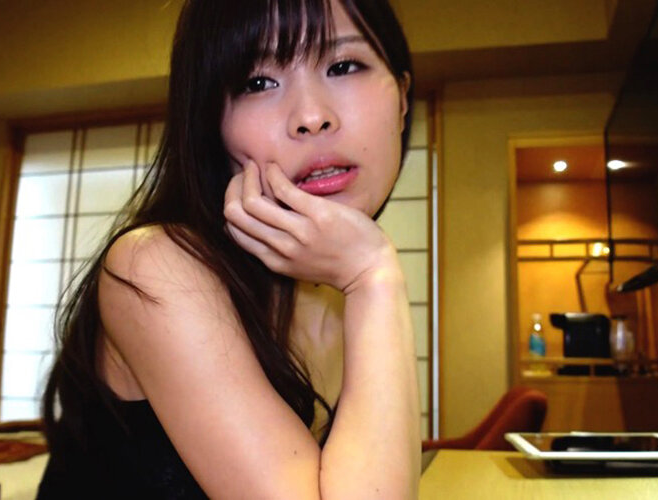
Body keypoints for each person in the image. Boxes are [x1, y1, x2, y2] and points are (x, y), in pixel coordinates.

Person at [36, 0, 420, 497]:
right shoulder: (154, 266)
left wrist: (370, 281)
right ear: (210, 123)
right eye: (257, 82)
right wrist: (374, 276)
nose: (311, 117)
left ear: (403, 98)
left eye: (344, 66)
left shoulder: (343, 285)